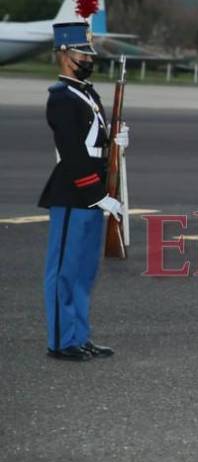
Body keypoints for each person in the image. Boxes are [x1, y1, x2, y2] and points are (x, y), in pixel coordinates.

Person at [39, 21, 128, 360]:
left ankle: (79, 334)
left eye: (89, 52)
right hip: (74, 192)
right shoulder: (61, 98)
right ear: (64, 55)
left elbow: (94, 145)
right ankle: (61, 340)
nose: (88, 58)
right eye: (81, 52)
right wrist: (96, 193)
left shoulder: (88, 94)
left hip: (93, 191)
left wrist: (117, 144)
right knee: (63, 270)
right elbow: (73, 152)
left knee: (84, 271)